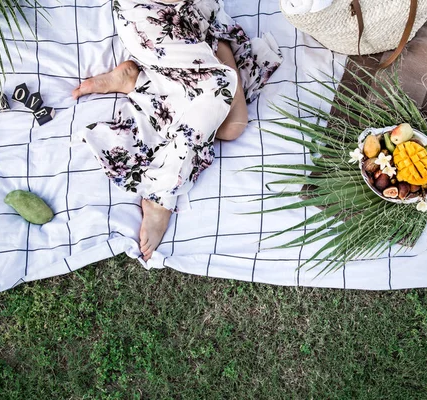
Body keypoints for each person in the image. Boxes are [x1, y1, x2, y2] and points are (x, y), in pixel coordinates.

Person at [73, 0, 282, 261]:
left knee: (232, 125)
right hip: (150, 18)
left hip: (196, 16)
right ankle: (162, 196)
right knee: (227, 111)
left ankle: (139, 80)